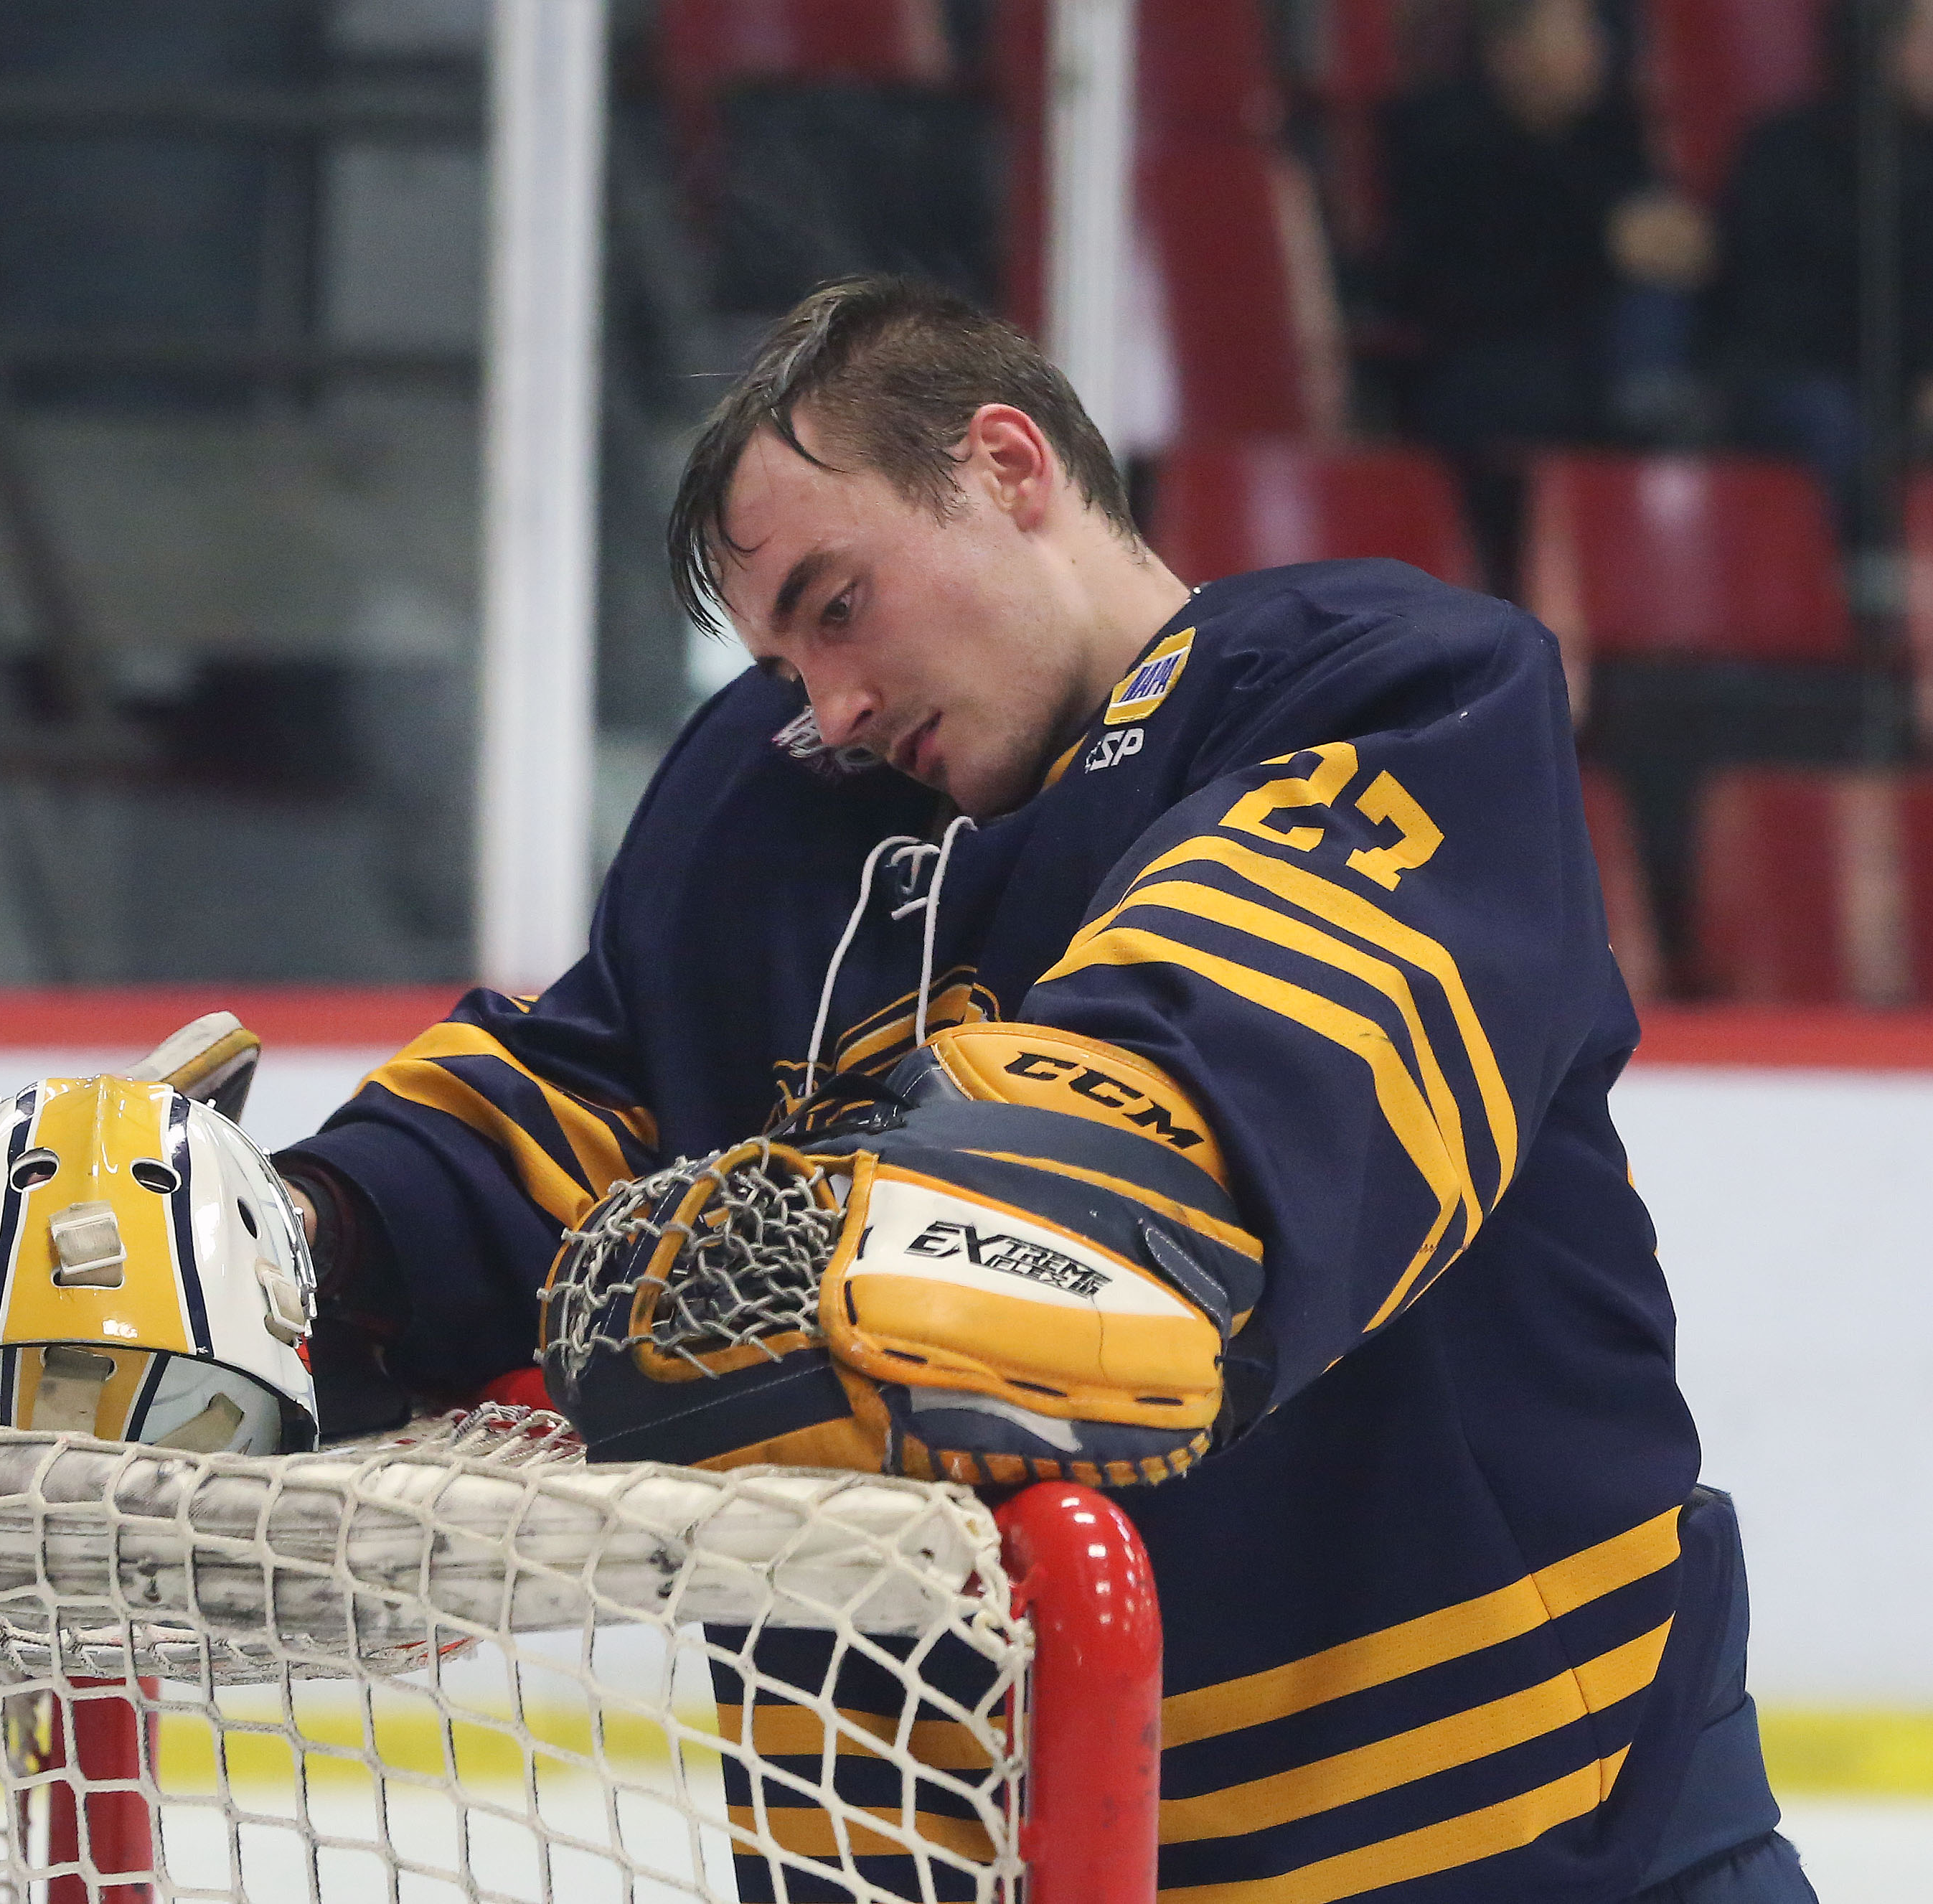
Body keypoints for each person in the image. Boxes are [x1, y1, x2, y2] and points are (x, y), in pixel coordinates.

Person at [273, 276, 1810, 1901]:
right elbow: (591, 1094)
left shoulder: (1379, 690)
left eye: (839, 604)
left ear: (1008, 467)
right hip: (961, 1847)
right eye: (784, 663)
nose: (831, 706)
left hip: (1511, 1833)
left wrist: (910, 1225)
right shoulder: (758, 816)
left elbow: (1205, 1094)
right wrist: (295, 1233)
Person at [1373, 0, 1714, 584]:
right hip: (1484, 362)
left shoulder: (1611, 134)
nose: (1595, 52)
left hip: (1597, 357)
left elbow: (1654, 232)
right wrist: (1604, 244)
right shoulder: (1440, 132)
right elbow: (1457, 280)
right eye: (1574, 34)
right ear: (1507, 50)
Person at [1716, 0, 1933, 529]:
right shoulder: (1787, 149)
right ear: (1884, 44)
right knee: (1831, 421)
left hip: (1906, 381)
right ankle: (1858, 593)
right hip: (1800, 373)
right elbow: (1767, 308)